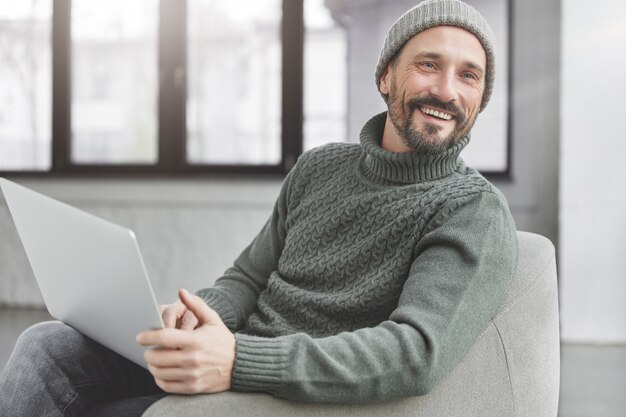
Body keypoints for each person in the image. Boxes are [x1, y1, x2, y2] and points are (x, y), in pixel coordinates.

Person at [0, 0, 518, 415]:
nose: (446, 90)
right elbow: (247, 278)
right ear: (386, 77)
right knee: (47, 346)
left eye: (469, 76)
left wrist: (237, 361)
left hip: (283, 388)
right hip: (231, 354)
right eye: (429, 65)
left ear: (480, 99)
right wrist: (198, 316)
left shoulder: (471, 210)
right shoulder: (319, 167)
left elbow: (413, 354)